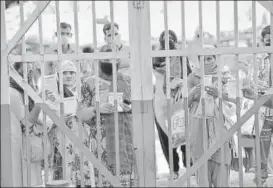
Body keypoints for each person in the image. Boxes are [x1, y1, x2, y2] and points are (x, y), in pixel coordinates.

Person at [76, 44, 135, 186]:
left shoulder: (127, 80)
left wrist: (130, 107)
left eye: (113, 57)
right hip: (100, 145)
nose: (110, 60)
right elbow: (80, 113)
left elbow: (140, 110)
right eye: (106, 56)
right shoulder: (89, 83)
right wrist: (97, 109)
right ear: (99, 58)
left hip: (124, 142)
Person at [187, 45, 233, 187]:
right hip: (199, 127)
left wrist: (218, 94)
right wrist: (193, 92)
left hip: (220, 125)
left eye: (209, 58)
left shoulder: (225, 76)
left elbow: (235, 100)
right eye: (203, 59)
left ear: (215, 58)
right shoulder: (192, 77)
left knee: (222, 163)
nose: (206, 62)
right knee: (202, 164)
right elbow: (182, 105)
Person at [153, 29, 193, 179]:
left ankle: (189, 166)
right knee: (165, 136)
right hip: (161, 100)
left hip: (179, 98)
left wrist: (181, 83)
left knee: (182, 130)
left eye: (171, 38)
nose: (168, 40)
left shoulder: (181, 56)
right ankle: (173, 169)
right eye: (165, 38)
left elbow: (189, 75)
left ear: (175, 41)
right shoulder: (155, 57)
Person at [9, 58, 50, 186]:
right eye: (28, 67)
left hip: (30, 145)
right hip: (21, 146)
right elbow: (26, 122)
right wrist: (39, 104)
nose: (31, 72)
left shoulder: (26, 91)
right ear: (18, 70)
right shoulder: (13, 93)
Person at [242, 25, 273, 186]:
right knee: (262, 149)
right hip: (265, 109)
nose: (270, 43)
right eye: (267, 41)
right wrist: (267, 91)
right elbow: (252, 82)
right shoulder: (257, 58)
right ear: (263, 41)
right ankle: (261, 180)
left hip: (265, 100)